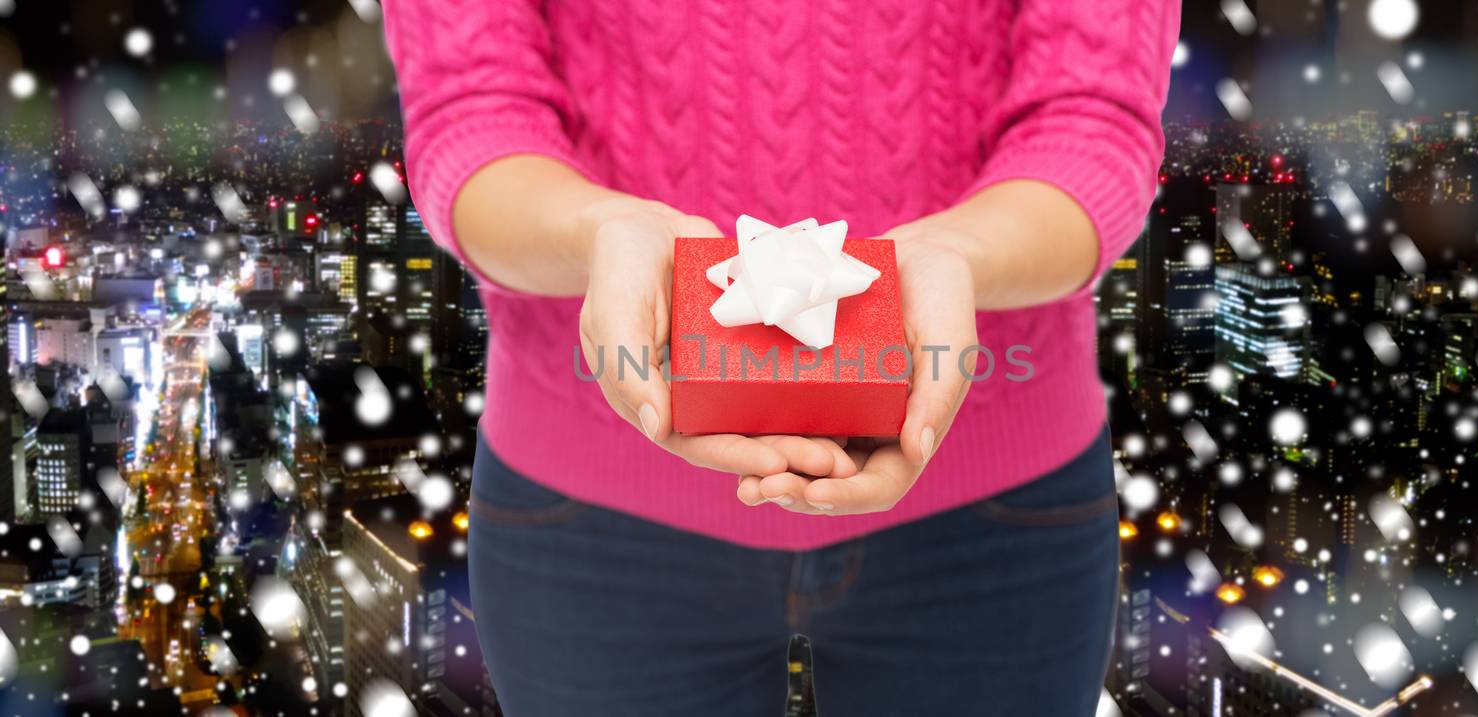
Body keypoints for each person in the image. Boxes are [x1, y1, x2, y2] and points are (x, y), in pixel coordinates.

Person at [384, 1, 1178, 713]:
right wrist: (600, 231)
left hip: (998, 509)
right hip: (587, 512)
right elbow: (471, 112)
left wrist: (960, 253)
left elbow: (1094, 120)